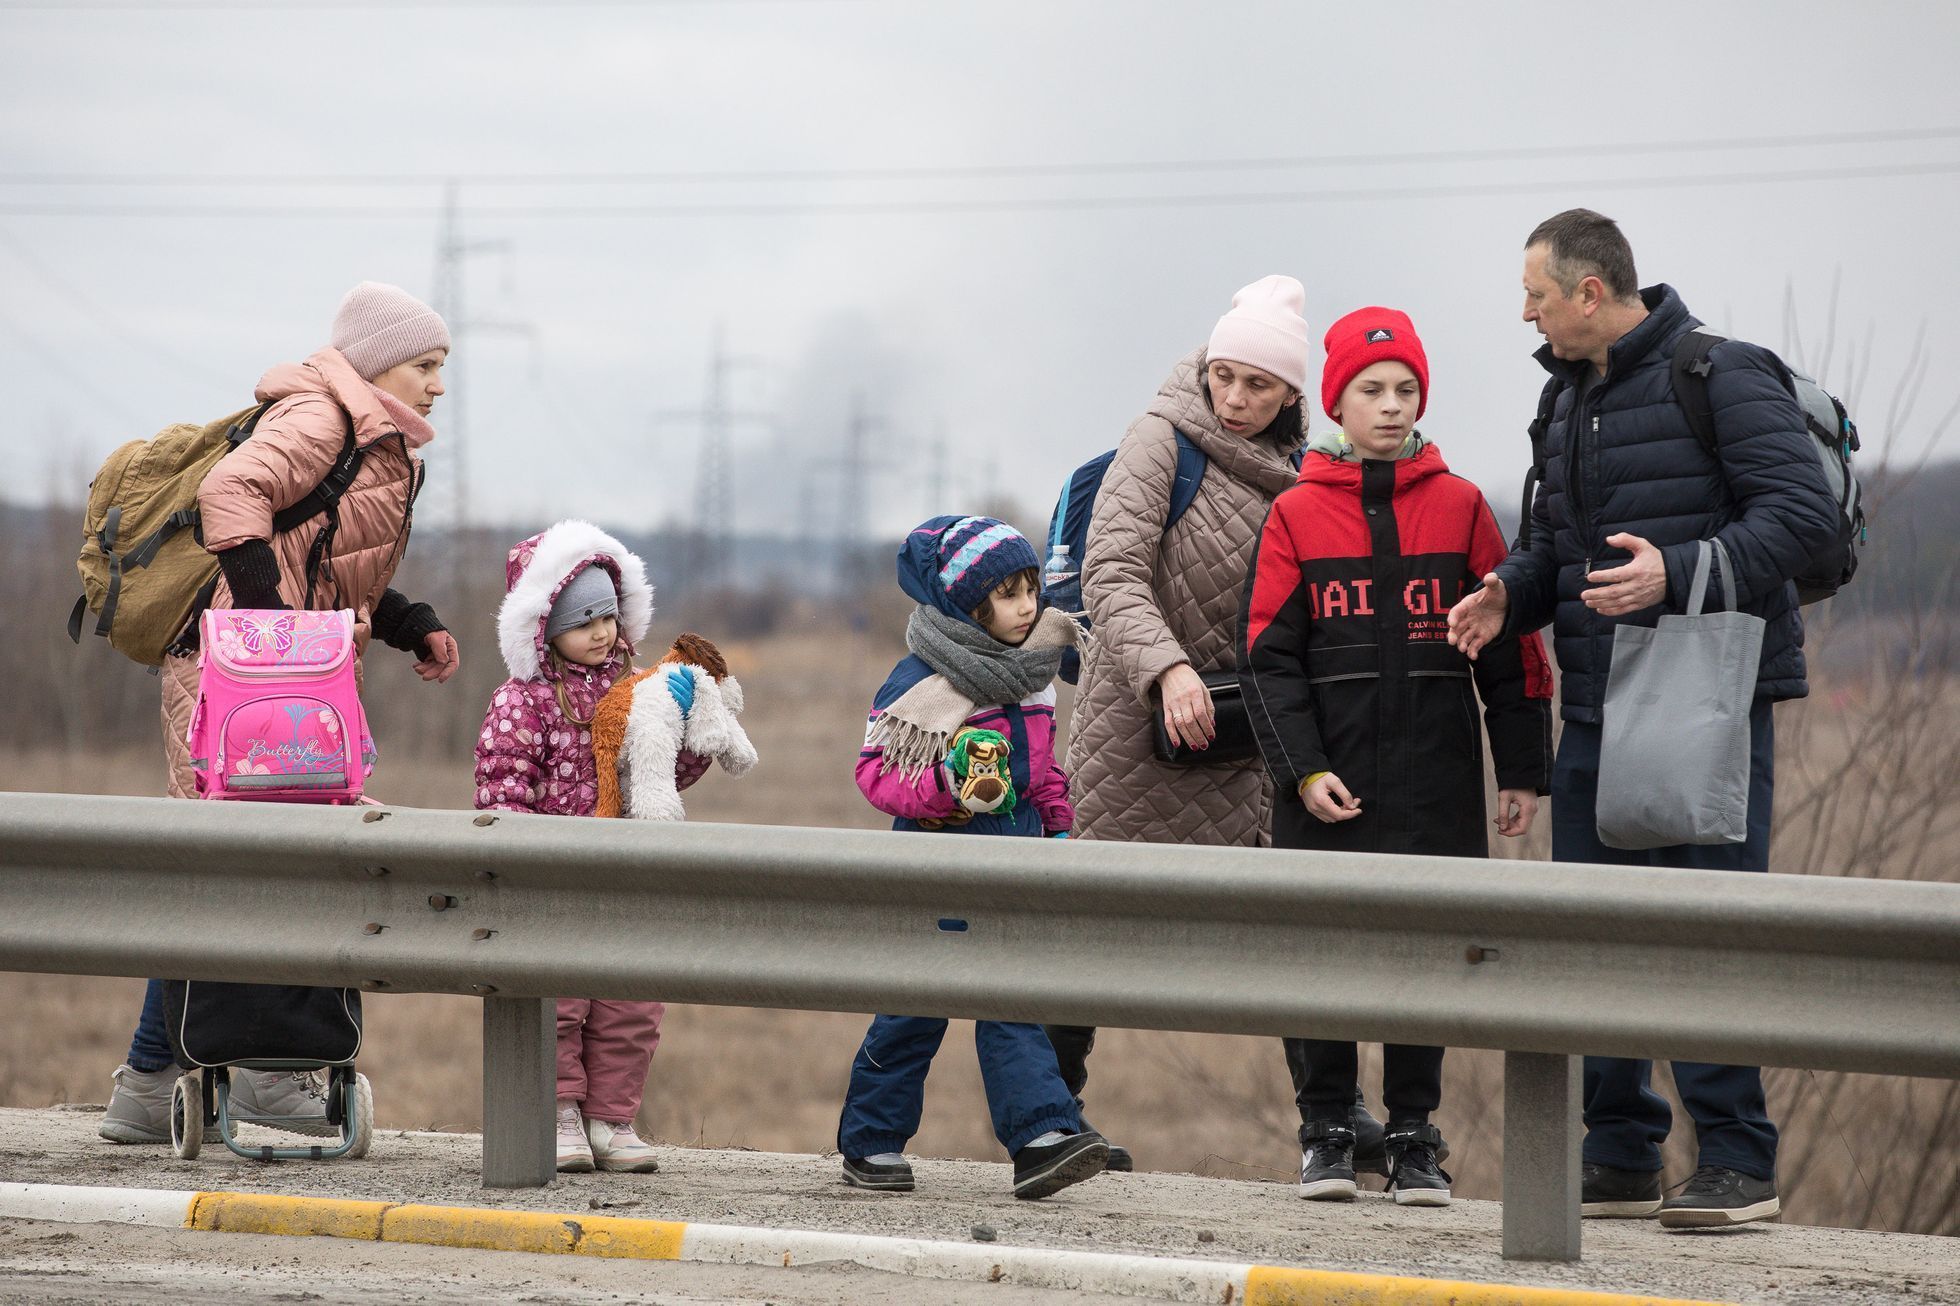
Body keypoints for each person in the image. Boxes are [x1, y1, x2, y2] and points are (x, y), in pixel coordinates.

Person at [1447, 209, 1838, 1227]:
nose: (1521, 310)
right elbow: (1557, 547)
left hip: (1706, 690)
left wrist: (1680, 573)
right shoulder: (1562, 395)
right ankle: (1619, 1153)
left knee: (1699, 932)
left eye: (1534, 292)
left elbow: (1801, 519)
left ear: (1588, 290)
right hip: (1594, 701)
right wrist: (1507, 593)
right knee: (1591, 935)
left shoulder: (1720, 373)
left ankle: (1739, 1160)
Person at [101, 281, 460, 1146]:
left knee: (223, 879)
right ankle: (264, 1084)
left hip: (272, 690)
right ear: (379, 365)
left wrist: (410, 623)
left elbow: (329, 559)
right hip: (237, 689)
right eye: (426, 365)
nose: (439, 385)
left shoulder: (371, 441)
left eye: (442, 366)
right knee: (263, 875)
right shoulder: (320, 419)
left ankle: (149, 1089)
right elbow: (233, 494)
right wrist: (272, 629)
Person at [1053, 274, 1385, 1171]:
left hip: (1252, 739)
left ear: (1289, 395)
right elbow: (1109, 575)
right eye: (1224, 377)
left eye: (1258, 385)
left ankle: (1333, 1118)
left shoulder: (1303, 473)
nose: (1235, 400)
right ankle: (1051, 1111)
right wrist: (1166, 670)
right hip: (1138, 732)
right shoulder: (1161, 441)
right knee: (1094, 925)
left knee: (1290, 923)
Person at [1240, 307, 1554, 1206]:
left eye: (1406, 389)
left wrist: (1522, 769)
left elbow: (1513, 651)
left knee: (1429, 955)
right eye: (1371, 390)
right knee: (1322, 959)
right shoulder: (1295, 514)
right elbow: (1266, 661)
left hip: (1436, 785)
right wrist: (1301, 769)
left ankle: (1415, 1135)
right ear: (1336, 400)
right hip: (1326, 788)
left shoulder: (1460, 508)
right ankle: (1328, 1132)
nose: (1390, 405)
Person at [837, 515, 1108, 1201]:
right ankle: (870, 1144)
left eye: (1031, 590)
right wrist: (945, 788)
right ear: (967, 603)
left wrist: (1060, 833)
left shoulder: (1035, 675)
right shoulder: (916, 681)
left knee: (1008, 997)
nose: (1028, 607)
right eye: (1009, 594)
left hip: (1011, 862)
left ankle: (1042, 1138)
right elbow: (876, 776)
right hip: (936, 859)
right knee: (913, 1009)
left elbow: (1041, 770)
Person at [474, 519, 705, 1174]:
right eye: (583, 620)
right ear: (544, 627)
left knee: (631, 1000)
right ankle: (559, 1113)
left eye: (608, 615)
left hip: (626, 876)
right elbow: (500, 789)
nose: (601, 632)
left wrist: (691, 739)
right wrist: (514, 863)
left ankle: (612, 1117)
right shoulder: (522, 703)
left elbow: (661, 776)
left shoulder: (636, 693)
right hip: (554, 881)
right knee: (562, 1003)